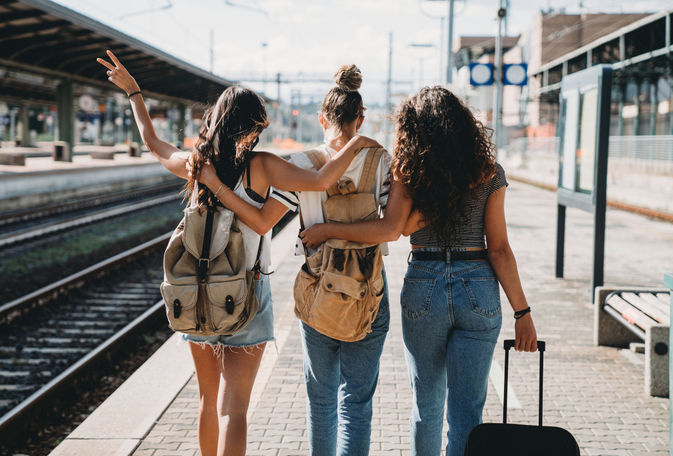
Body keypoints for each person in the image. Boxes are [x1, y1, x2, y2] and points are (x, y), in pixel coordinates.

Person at [96, 50, 379, 456]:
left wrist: (134, 93)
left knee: (207, 402)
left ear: (216, 120)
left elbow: (154, 143)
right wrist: (356, 144)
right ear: (252, 129)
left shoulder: (195, 165)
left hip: (196, 294)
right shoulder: (262, 167)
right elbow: (320, 179)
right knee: (236, 409)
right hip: (247, 292)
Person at [300, 86, 538, 456]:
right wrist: (522, 312)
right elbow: (500, 249)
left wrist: (434, 191)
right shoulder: (488, 172)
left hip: (424, 284)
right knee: (467, 413)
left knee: (427, 408)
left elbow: (402, 228)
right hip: (477, 283)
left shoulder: (410, 171)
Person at [192, 64, 392, 456]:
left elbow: (269, 216)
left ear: (321, 119)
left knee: (321, 402)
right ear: (361, 118)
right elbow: (394, 226)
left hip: (318, 290)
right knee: (358, 404)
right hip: (369, 289)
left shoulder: (301, 163)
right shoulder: (381, 160)